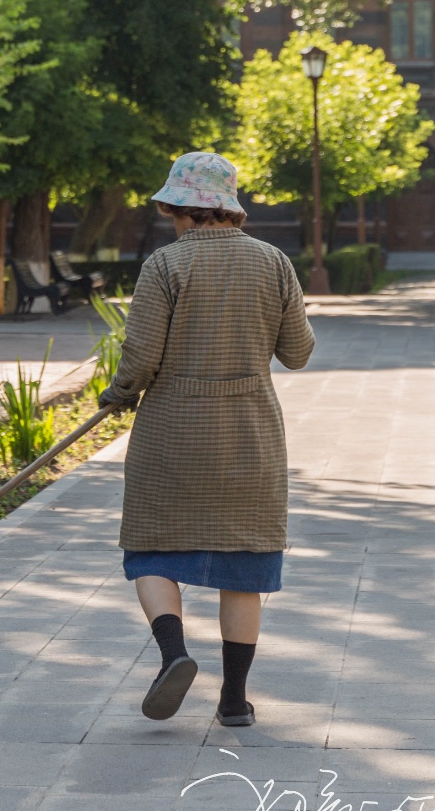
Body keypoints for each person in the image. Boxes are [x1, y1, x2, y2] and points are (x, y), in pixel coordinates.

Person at [99, 150, 315, 726]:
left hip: (172, 430)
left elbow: (141, 358)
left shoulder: (164, 266)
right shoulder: (274, 262)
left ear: (178, 206)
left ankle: (174, 656)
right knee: (245, 566)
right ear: (228, 207)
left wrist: (118, 394)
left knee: (150, 548)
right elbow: (297, 352)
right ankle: (233, 701)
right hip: (250, 435)